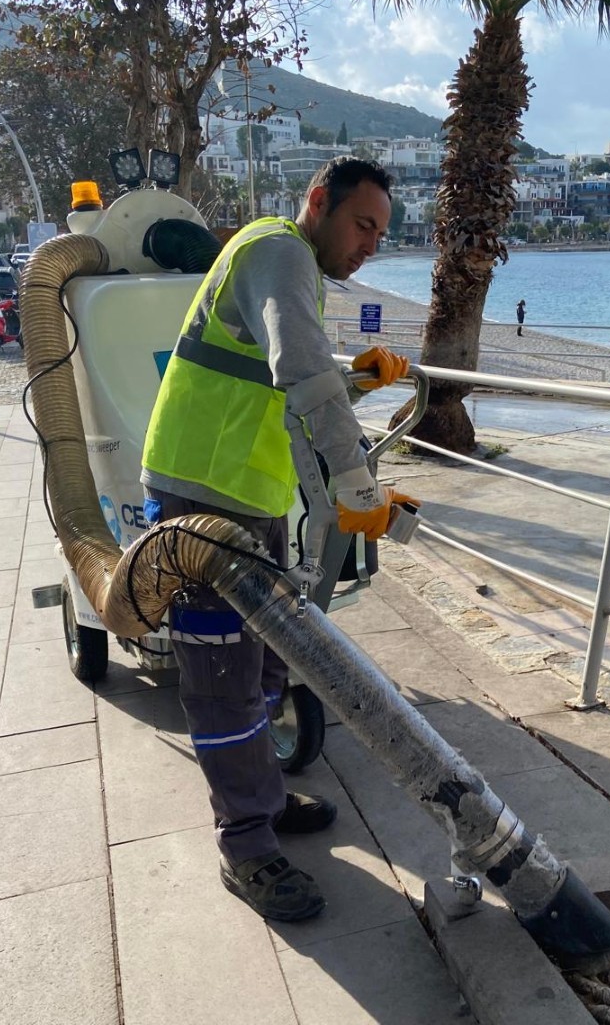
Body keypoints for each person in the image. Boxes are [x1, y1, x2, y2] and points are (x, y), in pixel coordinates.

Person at [139, 157, 418, 923]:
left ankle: (259, 795)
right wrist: (359, 490)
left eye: (381, 234)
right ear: (319, 201)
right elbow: (300, 373)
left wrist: (358, 380)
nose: (371, 245)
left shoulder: (293, 265)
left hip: (248, 496)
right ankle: (247, 847)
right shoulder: (278, 250)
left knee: (264, 664)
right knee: (222, 680)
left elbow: (279, 378)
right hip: (201, 494)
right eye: (363, 225)